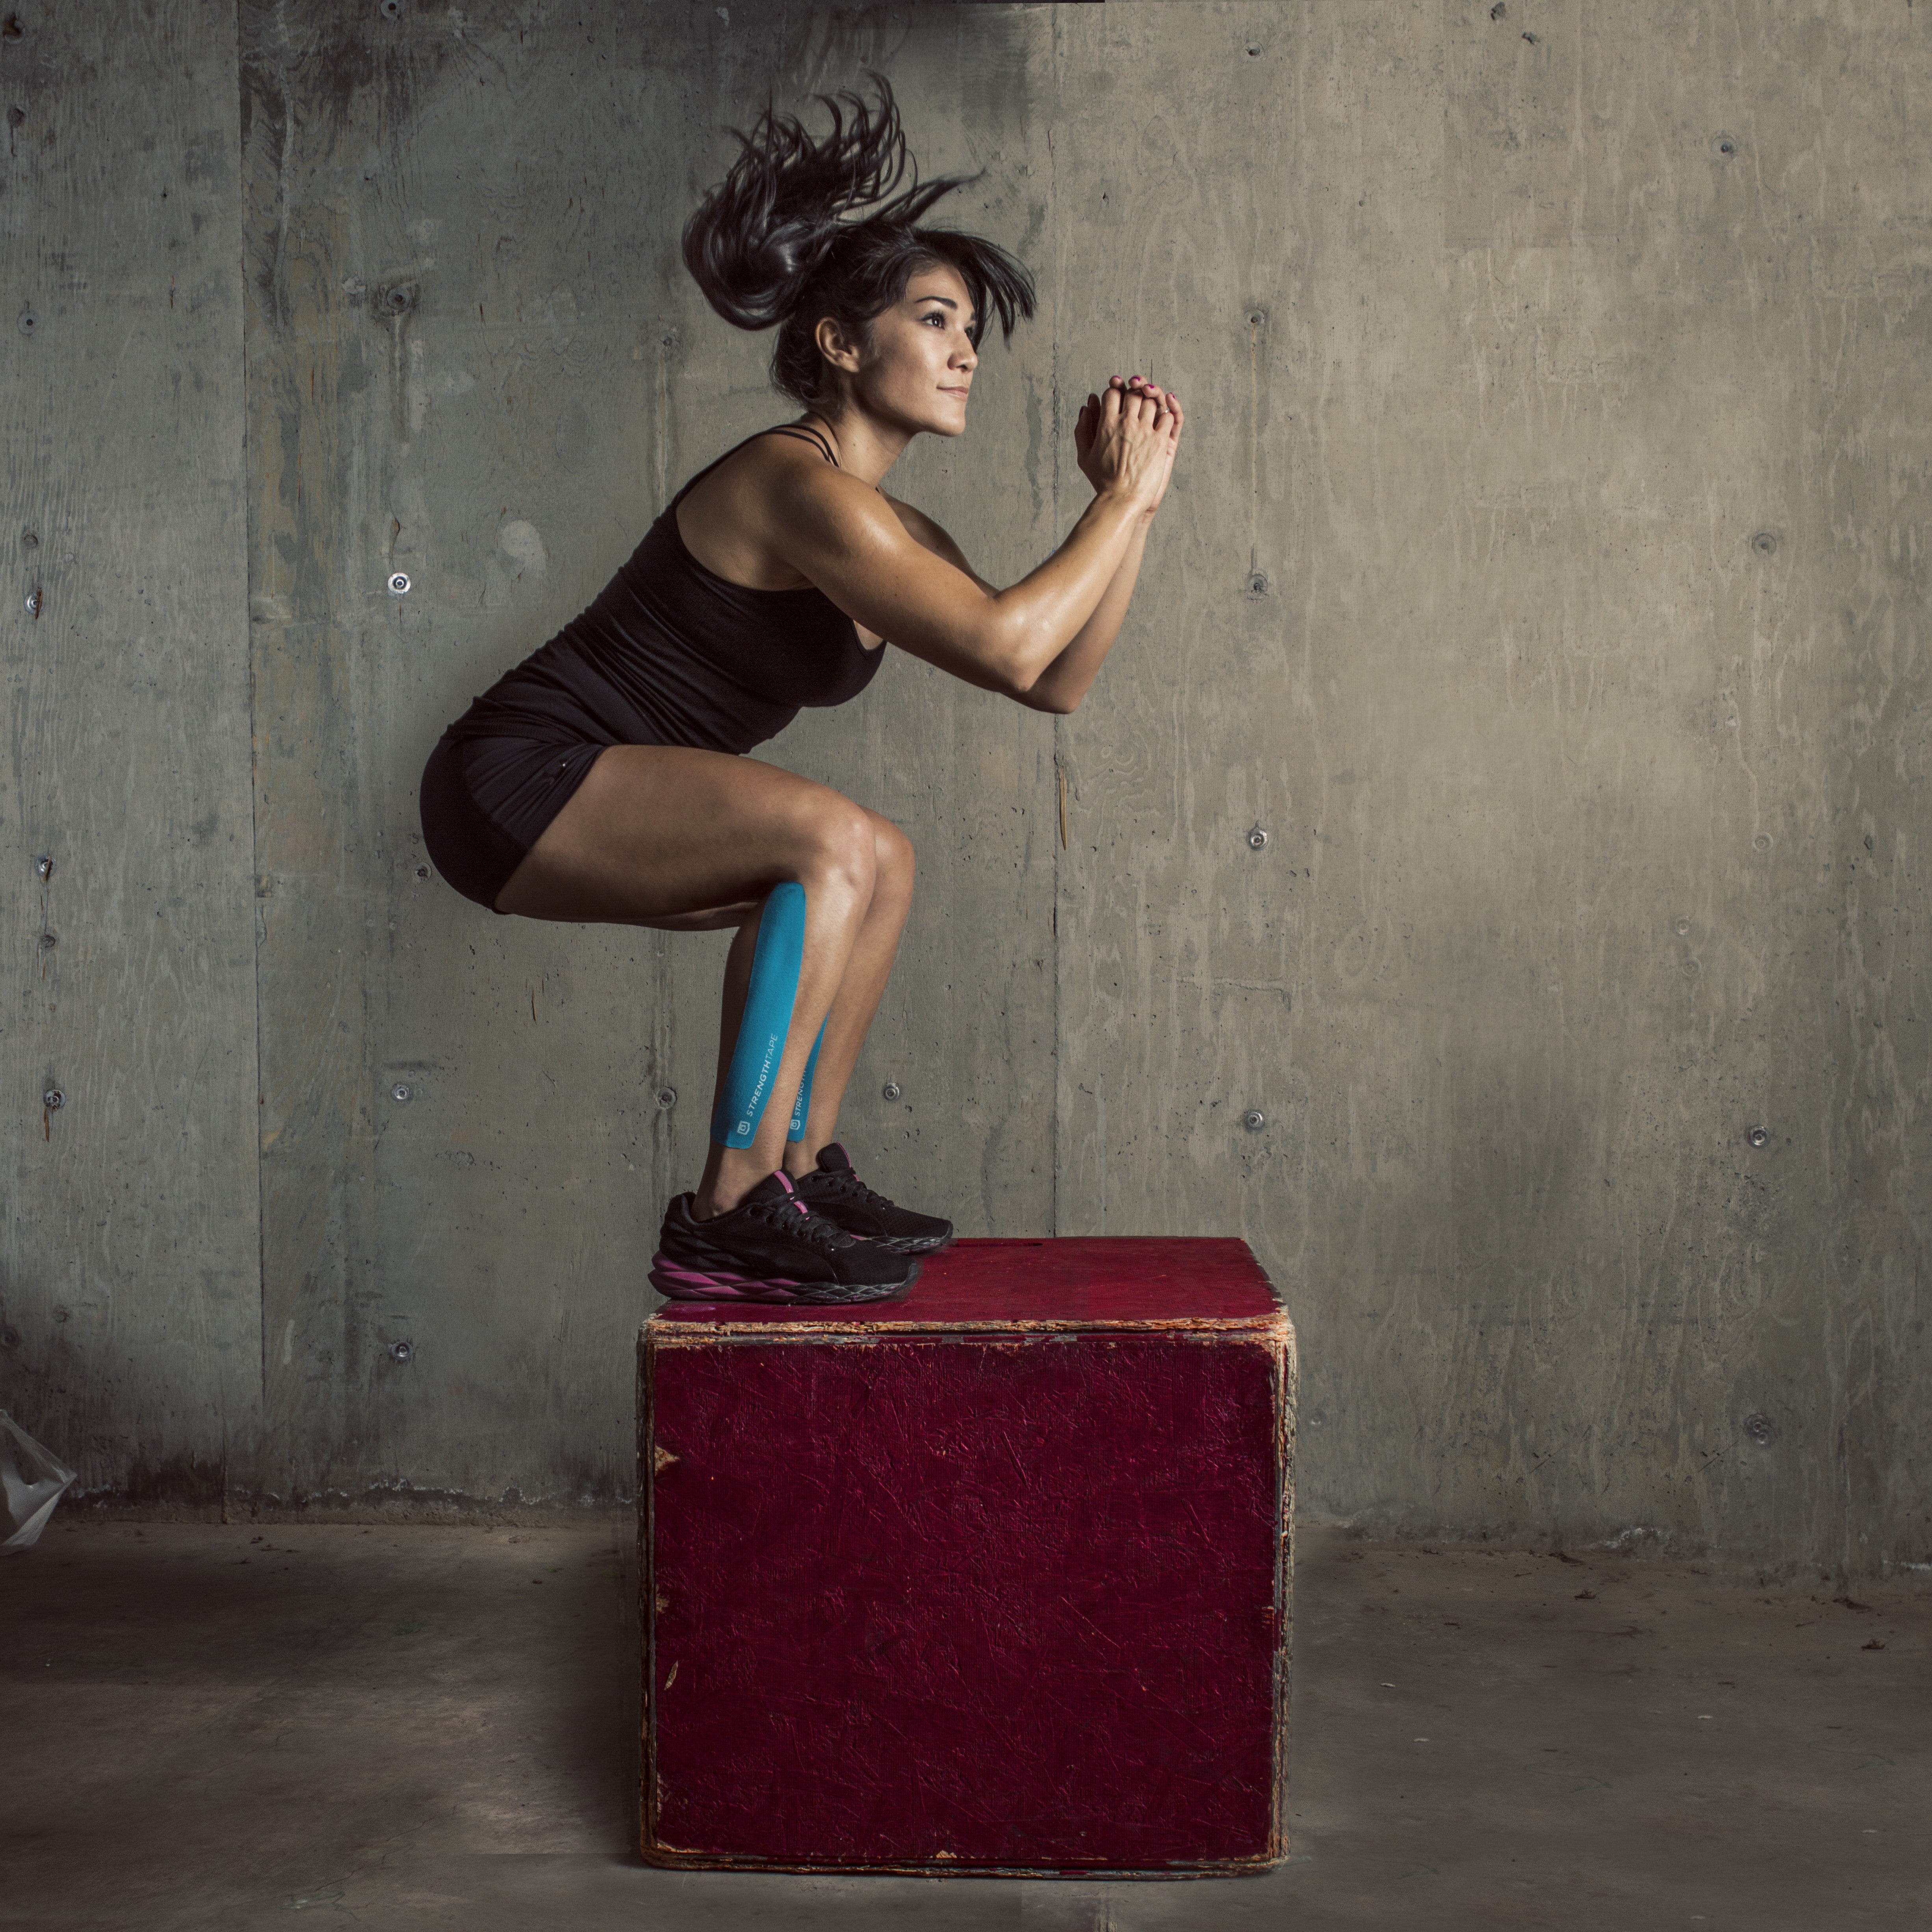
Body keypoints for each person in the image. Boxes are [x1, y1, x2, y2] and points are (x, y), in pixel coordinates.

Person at [417, 78, 1183, 1305]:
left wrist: (1135, 510)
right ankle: (724, 1207)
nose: (962, 350)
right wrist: (1120, 500)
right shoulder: (798, 484)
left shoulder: (888, 521)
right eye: (934, 319)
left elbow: (1055, 678)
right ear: (839, 341)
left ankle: (801, 1170)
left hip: (596, 786)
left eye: (971, 330)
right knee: (828, 839)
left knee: (882, 854)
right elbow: (1001, 643)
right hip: (518, 774)